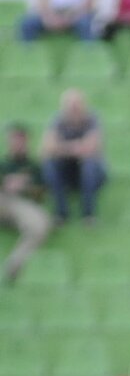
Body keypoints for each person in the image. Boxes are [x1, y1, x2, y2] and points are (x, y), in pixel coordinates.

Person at [40, 88, 107, 224]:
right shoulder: (58, 120)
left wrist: (62, 147)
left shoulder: (92, 119)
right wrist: (76, 147)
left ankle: (88, 214)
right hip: (68, 170)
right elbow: (47, 148)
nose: (73, 109)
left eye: (76, 105)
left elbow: (92, 147)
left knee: (89, 164)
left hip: (93, 174)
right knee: (49, 165)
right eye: (70, 105)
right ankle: (61, 213)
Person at [0, 123, 53, 284]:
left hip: (22, 205)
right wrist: (5, 185)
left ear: (26, 141)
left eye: (20, 139)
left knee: (41, 223)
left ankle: (15, 264)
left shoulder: (34, 166)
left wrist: (25, 186)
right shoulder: (3, 165)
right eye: (13, 139)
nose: (16, 143)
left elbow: (41, 193)